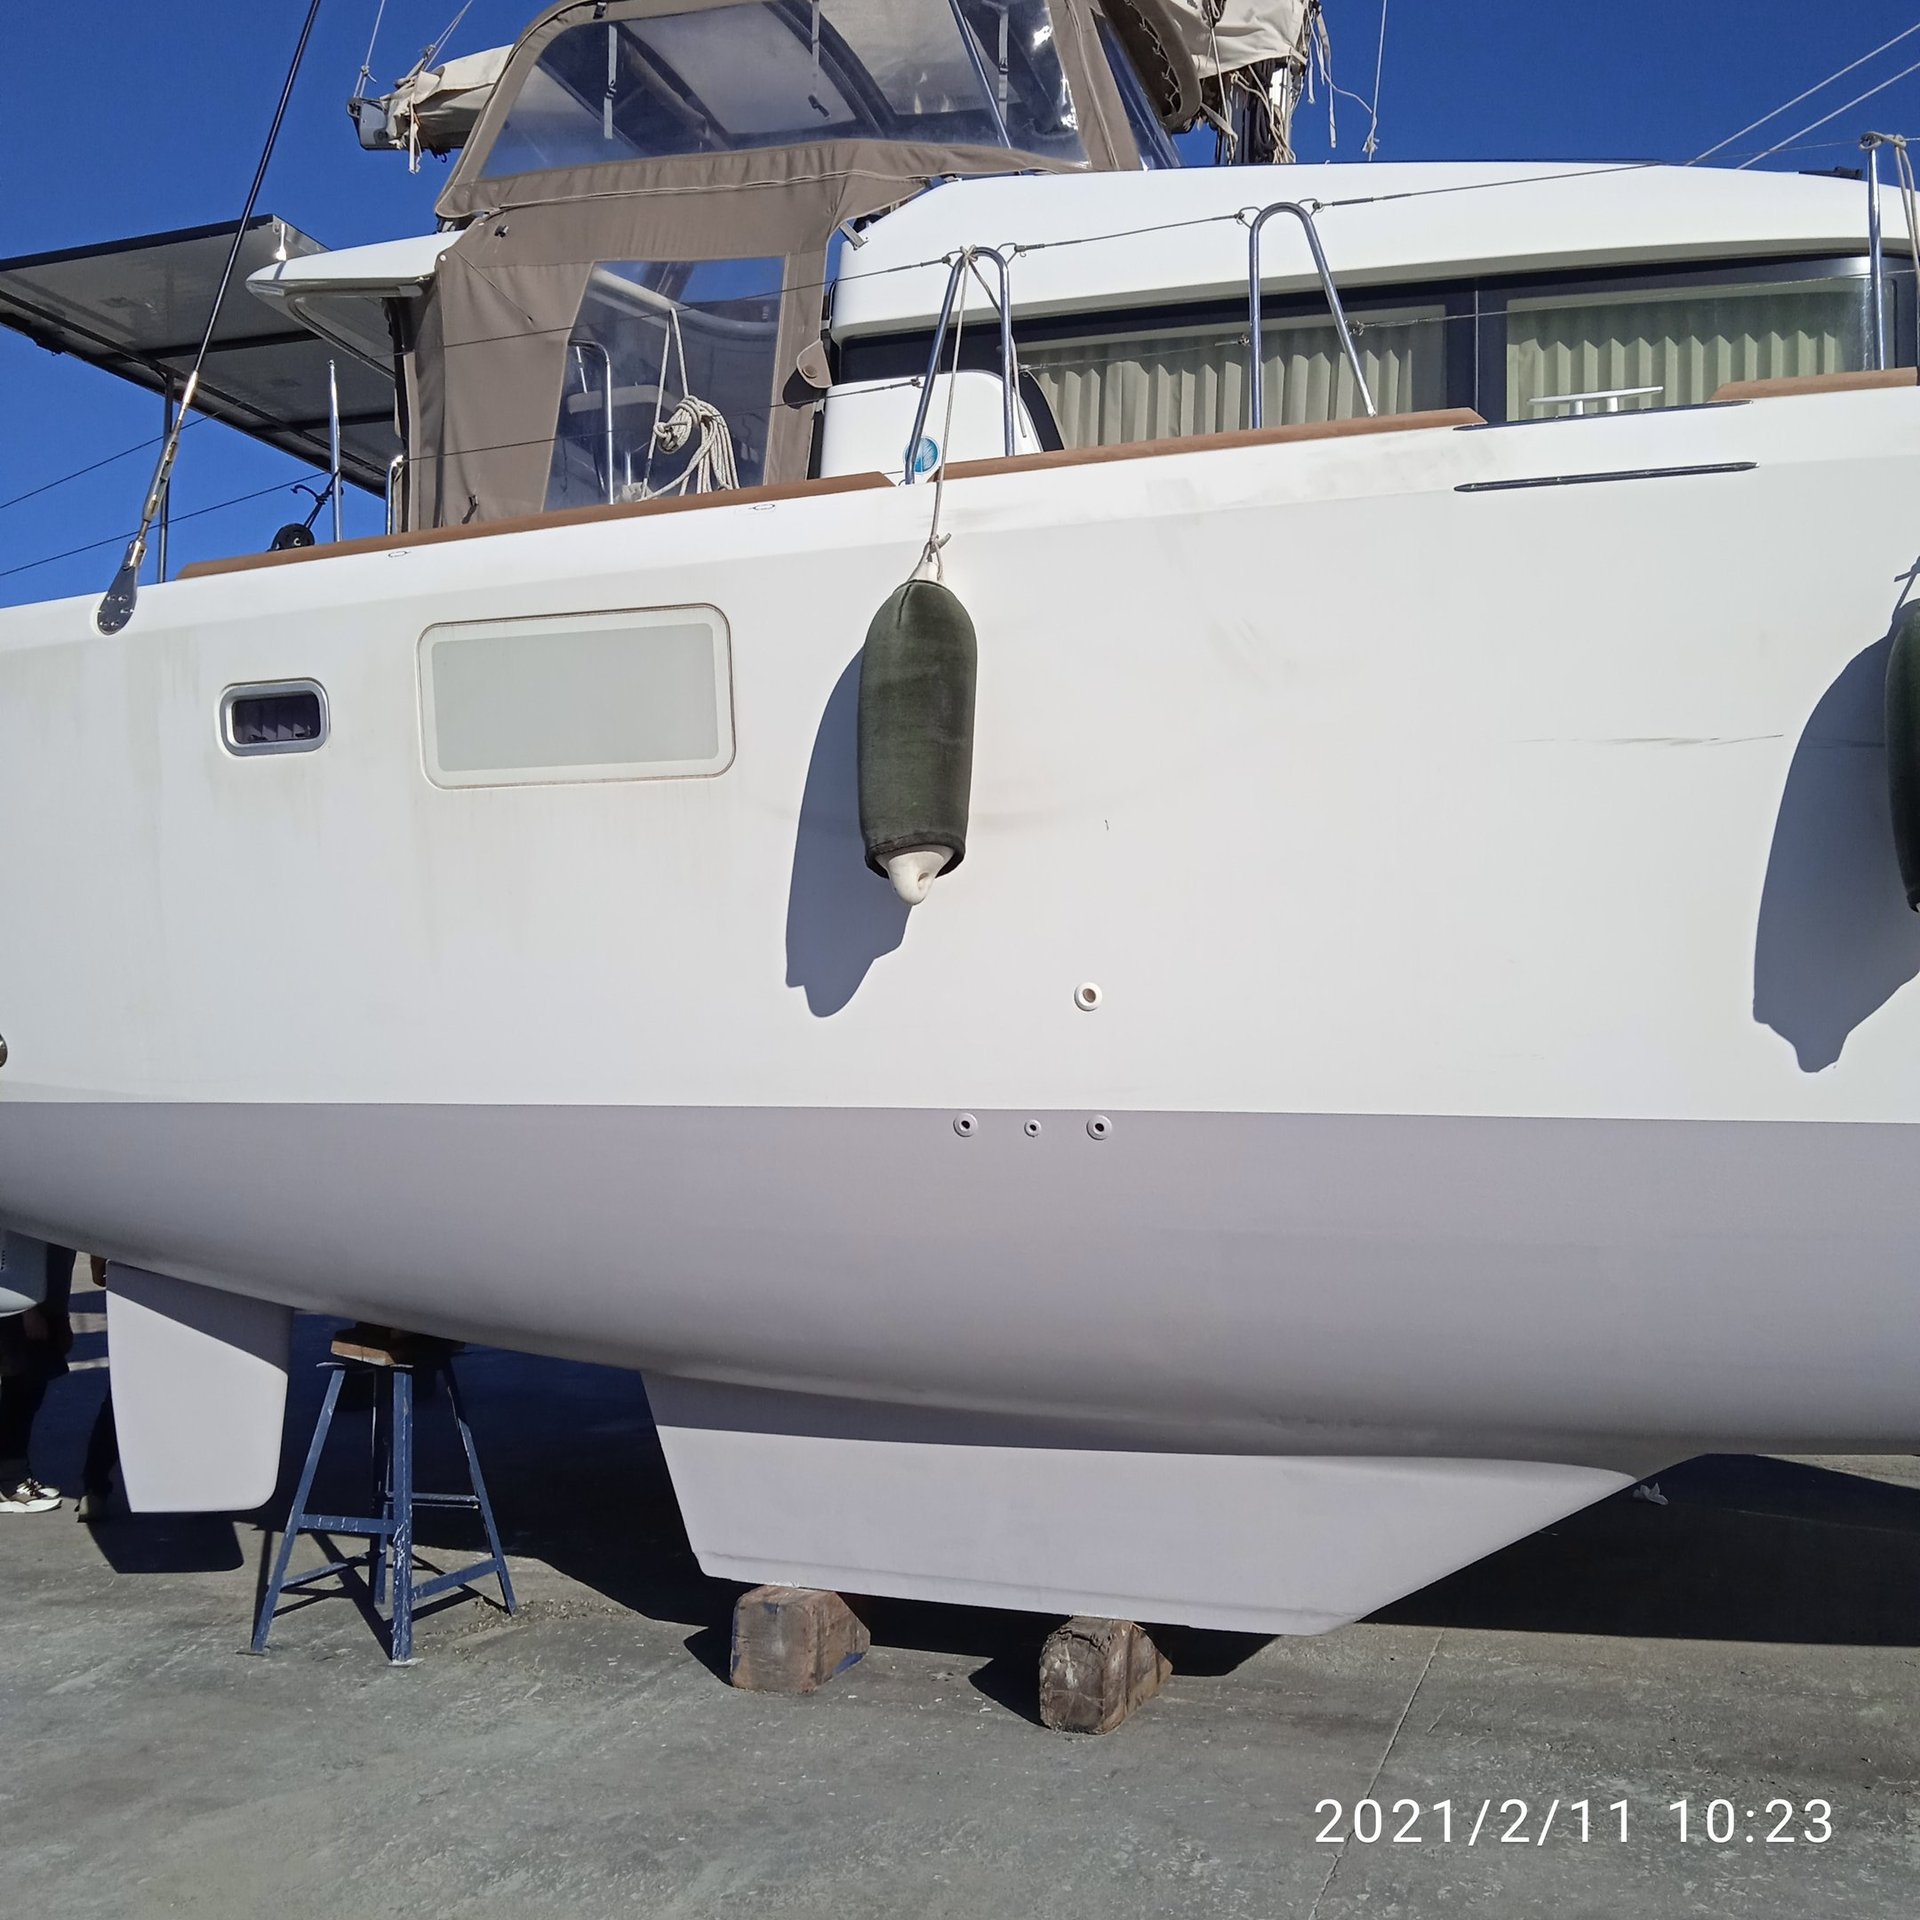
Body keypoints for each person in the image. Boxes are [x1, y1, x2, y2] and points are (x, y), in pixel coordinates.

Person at [0, 1243, 74, 1513]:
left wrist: (61, 1313)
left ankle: (14, 1477)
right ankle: (10, 1484)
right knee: (22, 1389)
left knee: (29, 1390)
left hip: (44, 1303)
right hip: (20, 1305)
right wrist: (25, 1310)